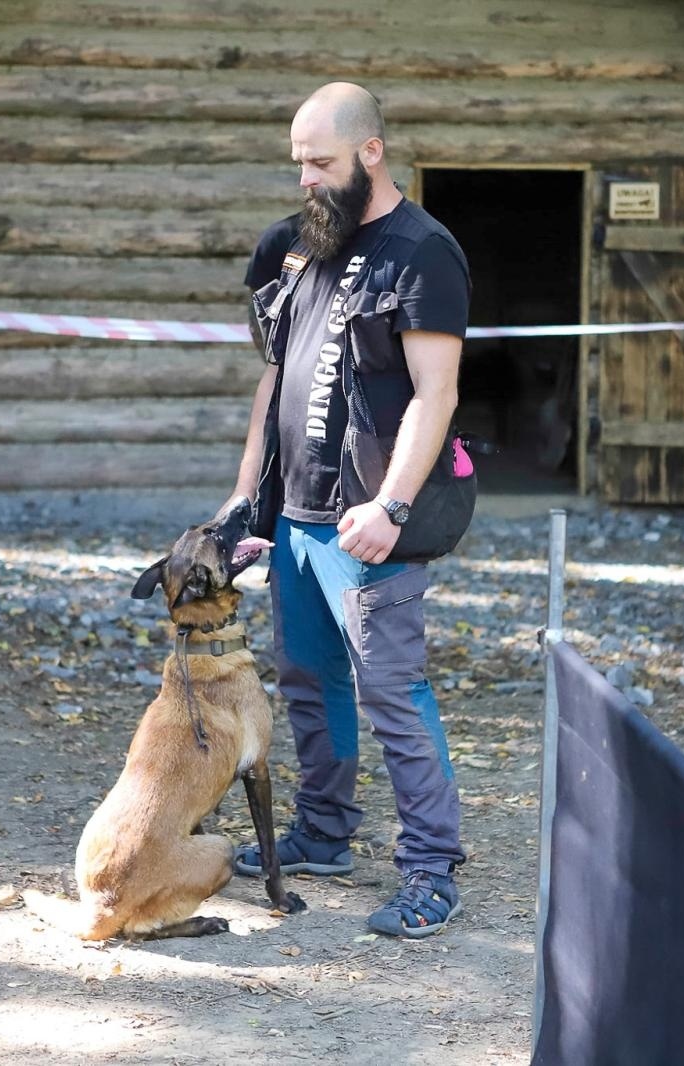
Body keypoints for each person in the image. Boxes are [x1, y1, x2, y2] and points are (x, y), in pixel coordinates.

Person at [226, 82, 470, 939]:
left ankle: (432, 871)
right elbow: (273, 382)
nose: (305, 179)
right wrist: (243, 492)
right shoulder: (296, 249)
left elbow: (435, 397)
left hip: (368, 522)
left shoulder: (423, 252)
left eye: (320, 162)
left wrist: (394, 506)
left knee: (393, 694)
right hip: (293, 519)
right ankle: (325, 834)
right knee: (308, 681)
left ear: (371, 152)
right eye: (298, 162)